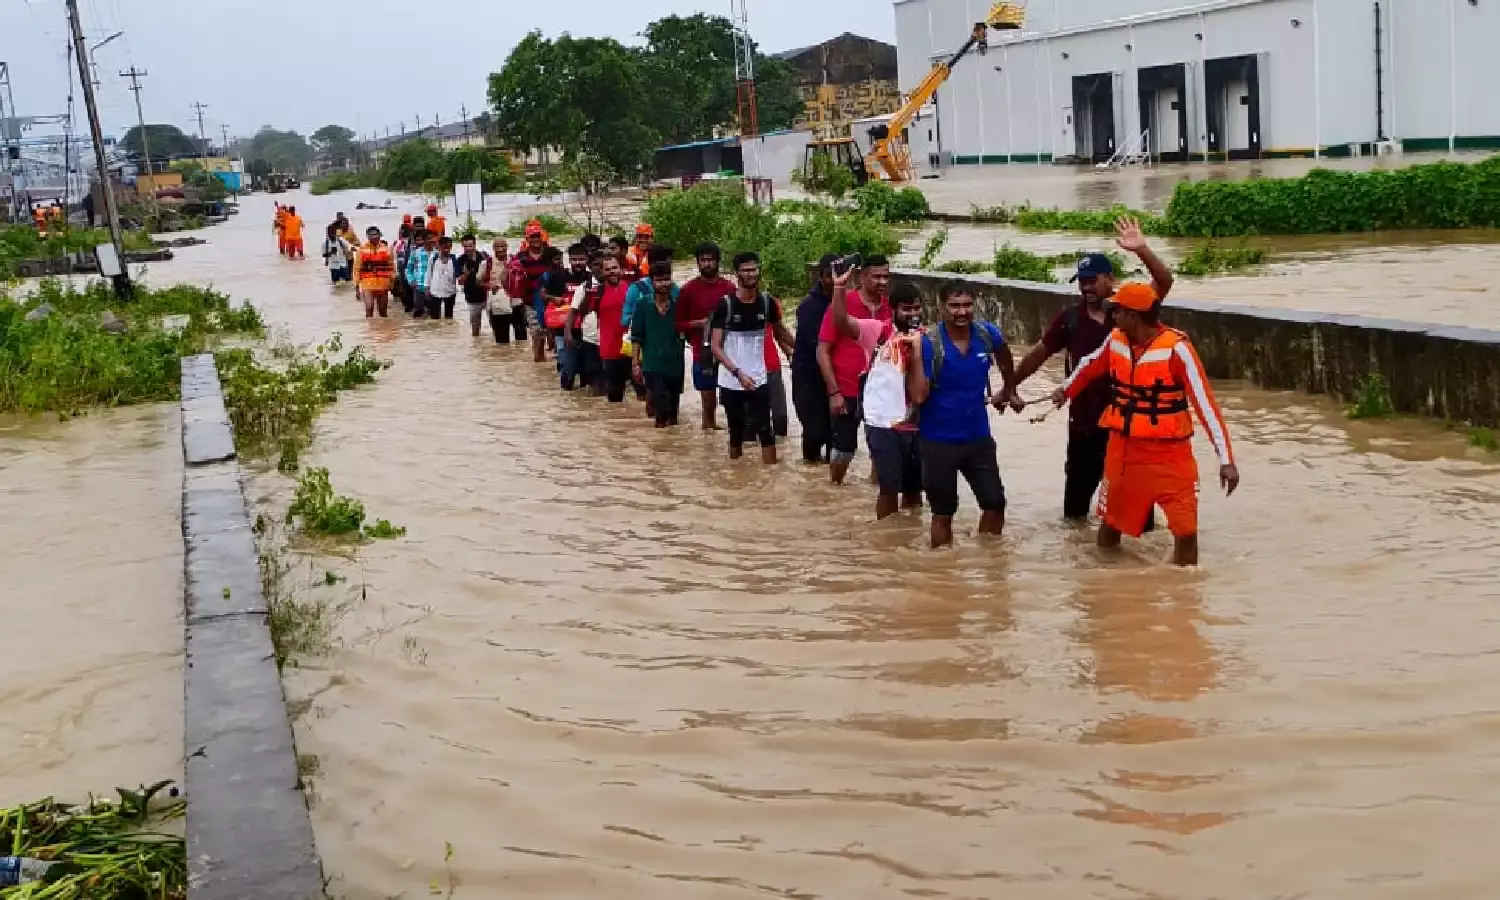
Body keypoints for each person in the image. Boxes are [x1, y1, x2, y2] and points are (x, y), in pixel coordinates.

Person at [1050, 282, 1240, 566]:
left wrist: (1226, 460)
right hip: (1124, 453)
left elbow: (1207, 406)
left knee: (1186, 533)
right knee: (1110, 526)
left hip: (1170, 458)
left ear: (1133, 316)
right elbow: (1090, 365)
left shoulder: (1177, 349)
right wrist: (1065, 390)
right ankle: (1109, 586)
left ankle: (1184, 598)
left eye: (1117, 311)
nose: (1112, 316)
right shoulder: (1115, 340)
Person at [1011, 217, 1173, 527]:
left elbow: (1164, 282)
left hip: (1129, 425)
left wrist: (1142, 250)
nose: (1086, 287)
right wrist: (1010, 386)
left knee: (1138, 516)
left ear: (1108, 279)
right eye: (1082, 281)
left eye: (1091, 280)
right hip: (1085, 424)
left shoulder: (1130, 310)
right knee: (1074, 516)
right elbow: (1039, 354)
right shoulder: (1070, 319)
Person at [904, 281, 1018, 549]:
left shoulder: (987, 334)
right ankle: (944, 575)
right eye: (954, 306)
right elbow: (919, 396)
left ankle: (990, 561)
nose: (961, 312)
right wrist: (917, 352)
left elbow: (1004, 355)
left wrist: (1008, 390)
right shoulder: (929, 343)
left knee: (995, 504)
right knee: (943, 513)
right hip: (938, 443)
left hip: (978, 439)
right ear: (941, 307)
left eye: (967, 305)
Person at [827, 271, 926, 519]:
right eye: (906, 309)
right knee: (888, 487)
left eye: (916, 308)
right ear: (892, 310)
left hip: (917, 424)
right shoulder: (877, 332)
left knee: (915, 489)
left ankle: (910, 534)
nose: (912, 314)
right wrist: (839, 288)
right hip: (881, 421)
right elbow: (842, 322)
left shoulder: (928, 339)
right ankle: (886, 540)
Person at [709, 252, 795, 464]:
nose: (751, 274)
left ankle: (769, 482)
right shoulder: (726, 305)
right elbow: (715, 347)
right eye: (746, 270)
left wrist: (805, 350)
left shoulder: (767, 303)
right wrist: (737, 373)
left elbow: (780, 332)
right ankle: (737, 478)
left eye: (754, 269)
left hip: (758, 379)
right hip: (731, 381)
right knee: (736, 434)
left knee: (767, 432)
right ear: (736, 273)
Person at [817, 255, 893, 485]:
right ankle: (834, 489)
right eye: (876, 276)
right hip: (847, 390)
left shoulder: (891, 307)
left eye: (886, 277)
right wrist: (834, 392)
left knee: (881, 450)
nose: (882, 281)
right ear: (862, 277)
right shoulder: (843, 304)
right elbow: (822, 351)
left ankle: (875, 490)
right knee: (843, 450)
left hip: (880, 392)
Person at [675, 243, 736, 430]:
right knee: (708, 400)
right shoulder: (688, 290)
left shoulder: (729, 287)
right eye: (703, 260)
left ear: (718, 262)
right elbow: (678, 324)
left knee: (732, 400)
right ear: (697, 263)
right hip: (702, 353)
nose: (707, 264)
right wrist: (699, 323)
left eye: (710, 260)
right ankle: (708, 434)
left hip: (728, 352)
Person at [791, 255, 839, 464]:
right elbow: (813, 345)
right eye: (829, 276)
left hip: (837, 375)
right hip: (809, 377)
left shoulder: (844, 302)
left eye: (837, 275)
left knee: (835, 432)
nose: (833, 280)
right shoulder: (809, 307)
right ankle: (810, 473)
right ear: (821, 277)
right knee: (814, 431)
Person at [630, 260, 685, 427]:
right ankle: (659, 445)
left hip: (675, 364)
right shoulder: (643, 304)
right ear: (651, 281)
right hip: (652, 364)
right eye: (659, 280)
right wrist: (635, 364)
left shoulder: (679, 304)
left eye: (667, 279)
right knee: (660, 408)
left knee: (674, 413)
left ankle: (670, 447)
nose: (663, 284)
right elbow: (636, 336)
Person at [565, 250, 607, 394]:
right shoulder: (584, 288)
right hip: (590, 339)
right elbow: (573, 311)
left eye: (604, 265)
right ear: (590, 266)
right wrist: (568, 333)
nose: (600, 268)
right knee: (594, 378)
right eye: (596, 265)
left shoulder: (621, 286)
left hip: (613, 340)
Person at [511, 222, 553, 362]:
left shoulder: (550, 254)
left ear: (542, 237)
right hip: (530, 302)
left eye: (537, 236)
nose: (535, 240)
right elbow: (510, 278)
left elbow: (560, 275)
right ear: (527, 239)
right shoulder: (520, 257)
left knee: (553, 334)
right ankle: (539, 361)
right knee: (537, 334)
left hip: (550, 301)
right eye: (532, 237)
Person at [594, 255, 633, 402]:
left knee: (642, 394)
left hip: (634, 348)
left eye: (615, 268)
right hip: (610, 351)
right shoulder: (597, 292)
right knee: (615, 398)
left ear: (621, 269)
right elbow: (581, 313)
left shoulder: (632, 289)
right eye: (607, 269)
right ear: (602, 273)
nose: (612, 271)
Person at [352, 226, 394, 318]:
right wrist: (356, 287)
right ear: (368, 236)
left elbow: (391, 267)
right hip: (368, 284)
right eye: (372, 235)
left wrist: (392, 282)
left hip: (383, 284)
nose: (374, 237)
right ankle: (370, 330)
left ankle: (382, 330)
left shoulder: (386, 249)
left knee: (383, 312)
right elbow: (356, 269)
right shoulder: (361, 250)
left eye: (376, 234)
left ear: (380, 235)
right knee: (369, 308)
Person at [484, 238, 521, 344]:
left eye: (503, 246)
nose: (500, 249)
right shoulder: (487, 263)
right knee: (501, 340)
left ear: (507, 247)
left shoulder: (516, 261)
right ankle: (502, 358)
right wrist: (489, 285)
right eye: (497, 247)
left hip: (516, 302)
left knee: (521, 337)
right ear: (493, 248)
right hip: (498, 303)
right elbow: (478, 282)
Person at [458, 235, 492, 337]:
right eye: (465, 246)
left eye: (470, 246)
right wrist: (465, 274)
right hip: (472, 298)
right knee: (475, 328)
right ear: (462, 246)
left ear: (475, 245)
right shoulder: (460, 260)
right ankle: (476, 346)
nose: (468, 248)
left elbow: (492, 272)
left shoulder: (484, 256)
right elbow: (460, 282)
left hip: (487, 295)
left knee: (494, 323)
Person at [427, 235, 459, 320]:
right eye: (444, 246)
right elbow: (429, 273)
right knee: (434, 318)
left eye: (449, 246)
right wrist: (427, 288)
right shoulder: (433, 258)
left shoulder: (454, 259)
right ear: (439, 246)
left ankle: (448, 332)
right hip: (435, 291)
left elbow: (458, 275)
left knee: (449, 317)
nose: (447, 249)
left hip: (450, 291)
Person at [405, 229, 434, 318]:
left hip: (434, 287)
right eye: (429, 238)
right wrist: (411, 280)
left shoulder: (437, 253)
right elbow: (408, 269)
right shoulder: (415, 252)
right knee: (418, 313)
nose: (431, 240)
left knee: (433, 314)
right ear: (424, 240)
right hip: (419, 286)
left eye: (432, 238)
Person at [392, 223, 415, 313]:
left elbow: (394, 259)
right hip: (403, 270)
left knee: (406, 294)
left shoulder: (398, 243)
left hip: (405, 270)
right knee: (406, 294)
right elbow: (394, 259)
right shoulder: (399, 244)